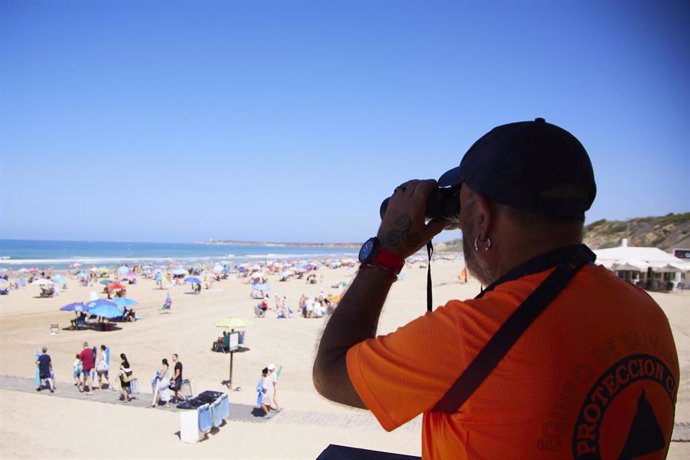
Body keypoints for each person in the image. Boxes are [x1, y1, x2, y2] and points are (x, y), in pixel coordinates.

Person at [313, 118, 680, 459]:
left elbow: (330, 373)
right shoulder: (643, 309)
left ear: (483, 216)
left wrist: (385, 255)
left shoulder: (469, 334)